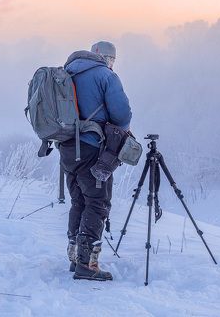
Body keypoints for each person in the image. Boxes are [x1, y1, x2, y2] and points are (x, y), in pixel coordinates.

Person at [60, 41, 132, 281]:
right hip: (92, 147)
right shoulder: (106, 75)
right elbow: (122, 114)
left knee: (78, 200)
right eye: (112, 58)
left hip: (67, 147)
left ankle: (74, 256)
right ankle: (87, 263)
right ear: (107, 57)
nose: (112, 63)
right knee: (98, 202)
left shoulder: (67, 71)